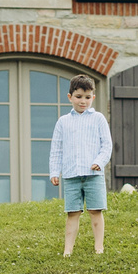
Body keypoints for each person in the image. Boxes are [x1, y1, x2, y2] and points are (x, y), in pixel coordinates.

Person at [48, 73, 113, 257]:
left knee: (95, 211)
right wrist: (55, 171)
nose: (82, 101)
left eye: (87, 97)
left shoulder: (98, 119)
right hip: (71, 175)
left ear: (93, 97)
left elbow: (106, 145)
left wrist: (99, 162)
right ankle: (68, 250)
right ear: (70, 97)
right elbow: (56, 149)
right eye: (78, 97)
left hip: (93, 175)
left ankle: (99, 247)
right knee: (72, 212)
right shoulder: (63, 122)